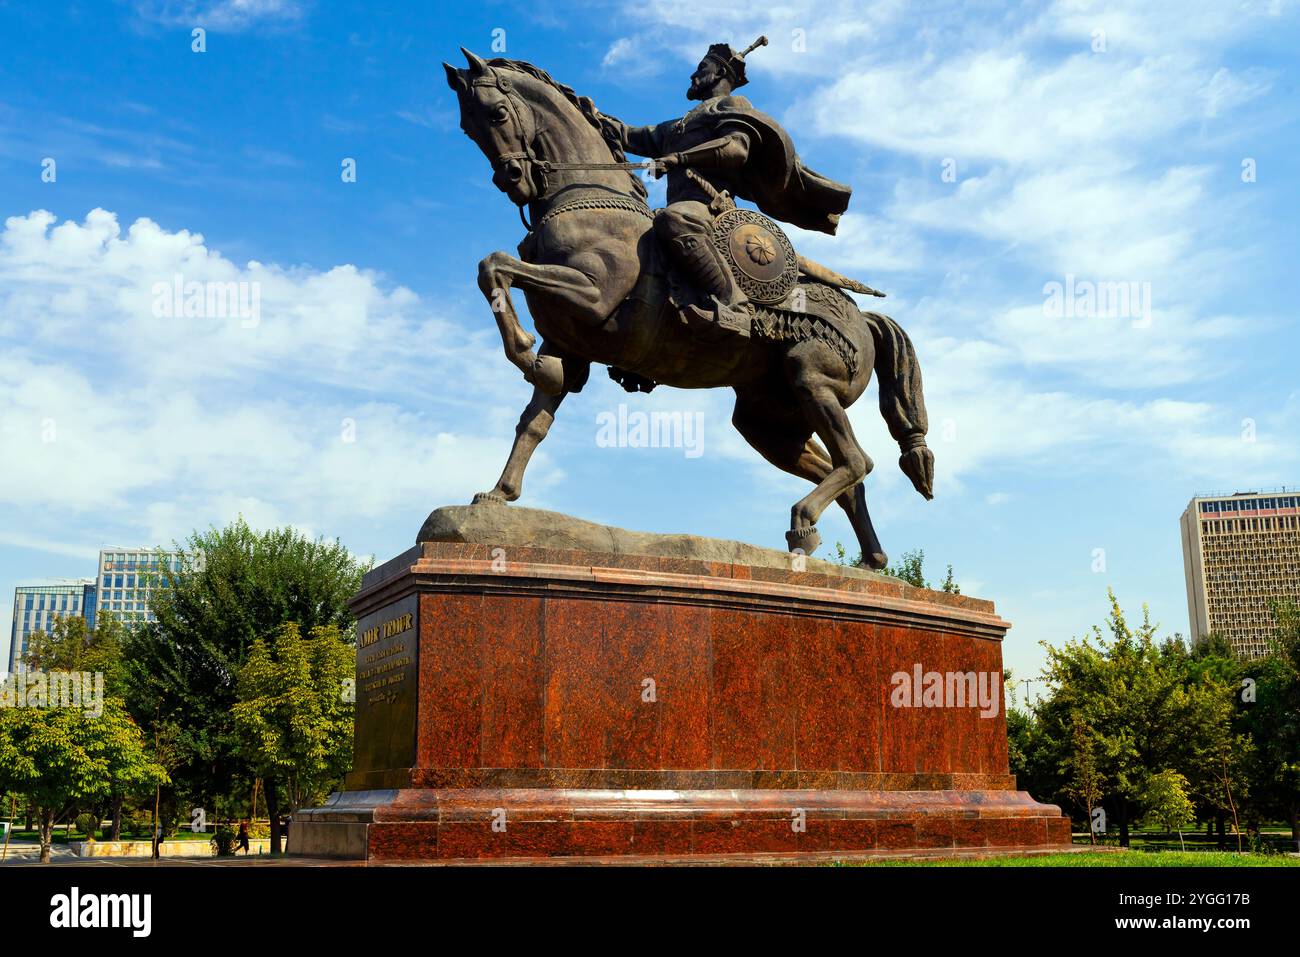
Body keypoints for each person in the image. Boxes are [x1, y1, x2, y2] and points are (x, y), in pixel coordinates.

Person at [599, 37, 852, 336]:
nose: (693, 75)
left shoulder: (733, 105)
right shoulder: (676, 126)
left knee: (674, 220)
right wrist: (587, 111)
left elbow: (736, 149)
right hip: (680, 205)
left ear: (719, 73)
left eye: (701, 68)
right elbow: (628, 135)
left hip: (708, 208)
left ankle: (733, 305)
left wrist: (679, 158)